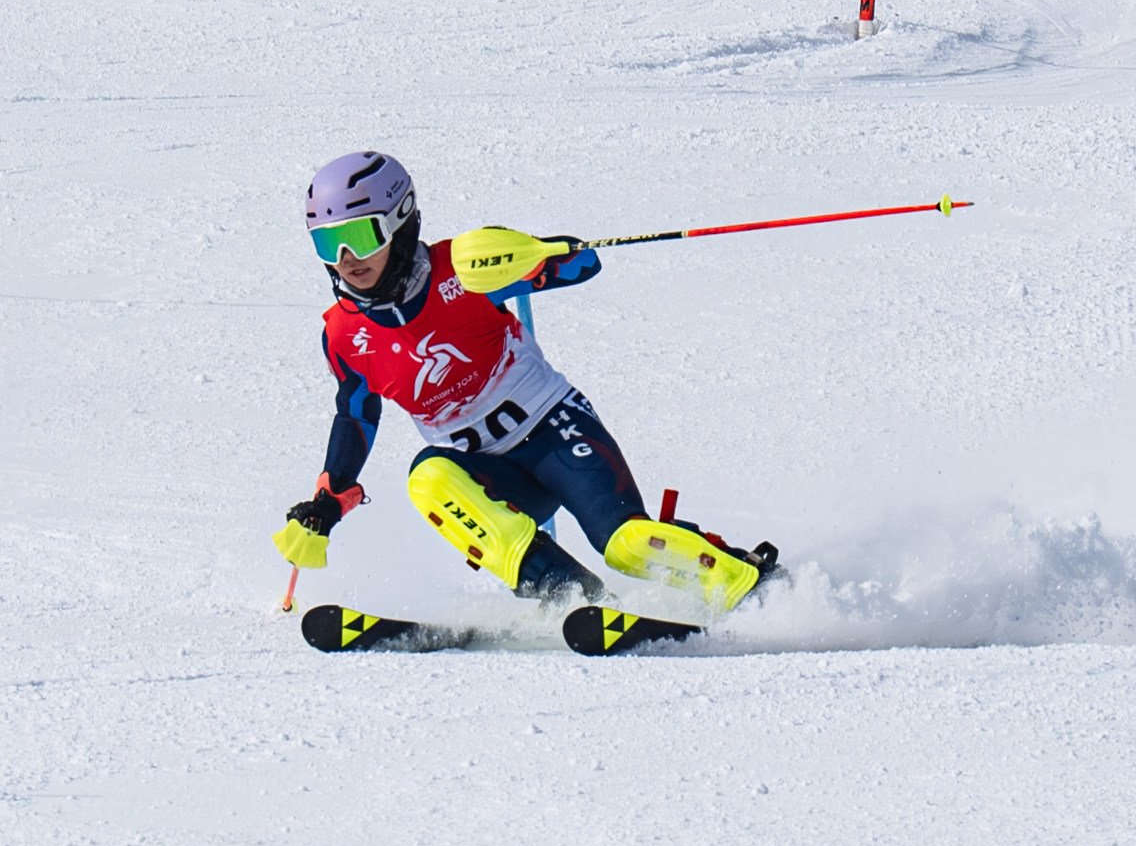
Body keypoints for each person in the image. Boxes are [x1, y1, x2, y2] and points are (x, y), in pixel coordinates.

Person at [273, 150, 777, 611]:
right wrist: (329, 500)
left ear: (400, 225)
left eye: (360, 237)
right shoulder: (343, 334)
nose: (345, 260)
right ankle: (569, 596)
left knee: (627, 546)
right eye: (327, 243)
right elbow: (356, 413)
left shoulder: (463, 271)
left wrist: (529, 255)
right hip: (486, 472)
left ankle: (747, 585)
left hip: (555, 431)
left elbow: (584, 263)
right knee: (428, 479)